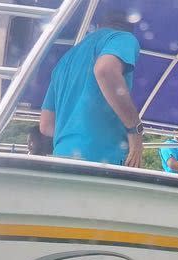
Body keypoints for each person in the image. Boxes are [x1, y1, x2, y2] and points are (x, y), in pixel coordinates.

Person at [38, 11, 143, 167]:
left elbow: (46, 125)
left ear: (98, 26)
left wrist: (76, 132)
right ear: (130, 28)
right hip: (101, 160)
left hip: (61, 157)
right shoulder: (122, 38)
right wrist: (135, 130)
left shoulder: (64, 61)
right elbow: (105, 70)